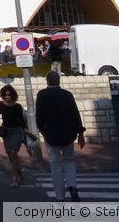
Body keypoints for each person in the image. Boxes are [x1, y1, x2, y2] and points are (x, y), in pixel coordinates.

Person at [36, 71, 86, 202]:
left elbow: (39, 116)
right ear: (59, 81)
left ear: (47, 81)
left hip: (51, 134)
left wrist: (42, 130)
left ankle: (60, 196)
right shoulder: (67, 95)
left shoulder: (42, 95)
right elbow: (75, 114)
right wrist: (80, 133)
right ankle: (72, 186)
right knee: (69, 160)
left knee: (55, 163)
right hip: (68, 133)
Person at [0, 84, 26, 186]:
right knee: (9, 154)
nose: (7, 97)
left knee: (13, 152)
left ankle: (15, 179)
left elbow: (21, 120)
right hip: (6, 131)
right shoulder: (0, 104)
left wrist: (24, 131)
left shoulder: (18, 106)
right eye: (5, 95)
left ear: (13, 95)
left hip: (16, 130)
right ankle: (18, 170)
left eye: (9, 95)